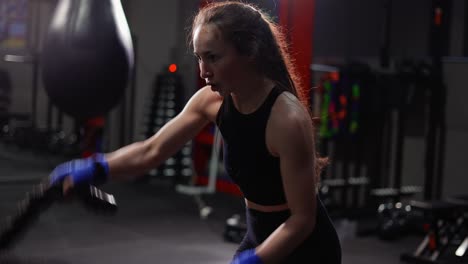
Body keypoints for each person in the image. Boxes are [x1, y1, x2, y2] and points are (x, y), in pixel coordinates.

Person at [50, 1, 342, 263]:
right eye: (200, 58)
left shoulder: (287, 119)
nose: (204, 71)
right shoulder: (212, 101)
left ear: (249, 52)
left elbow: (303, 220)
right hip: (259, 238)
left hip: (305, 249)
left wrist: (255, 260)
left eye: (213, 57)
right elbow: (151, 151)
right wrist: (94, 166)